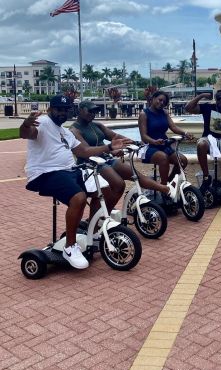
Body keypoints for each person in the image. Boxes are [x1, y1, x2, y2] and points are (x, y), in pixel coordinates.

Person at [20, 95, 130, 270]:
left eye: (65, 110)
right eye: (59, 109)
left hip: (69, 171)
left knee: (105, 189)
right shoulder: (42, 122)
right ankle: (70, 247)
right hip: (45, 173)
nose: (62, 113)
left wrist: (109, 147)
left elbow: (84, 151)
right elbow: (27, 133)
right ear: (50, 109)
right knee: (78, 198)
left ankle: (92, 233)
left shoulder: (64, 132)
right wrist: (26, 124)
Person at [70, 100, 170, 208]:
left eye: (95, 111)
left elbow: (115, 136)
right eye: (90, 111)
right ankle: (101, 215)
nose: (93, 114)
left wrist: (134, 142)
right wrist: (110, 149)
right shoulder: (74, 130)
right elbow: (86, 151)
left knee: (134, 174)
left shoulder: (97, 125)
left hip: (106, 159)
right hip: (90, 164)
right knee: (119, 184)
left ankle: (164, 188)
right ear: (80, 110)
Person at [138, 91, 192, 185]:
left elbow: (173, 127)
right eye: (160, 100)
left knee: (182, 161)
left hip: (163, 145)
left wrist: (185, 133)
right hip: (149, 146)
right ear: (153, 98)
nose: (162, 103)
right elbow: (144, 136)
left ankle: (169, 181)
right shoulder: (144, 114)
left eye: (164, 102)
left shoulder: (164, 113)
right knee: (163, 158)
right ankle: (163, 186)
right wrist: (154, 141)